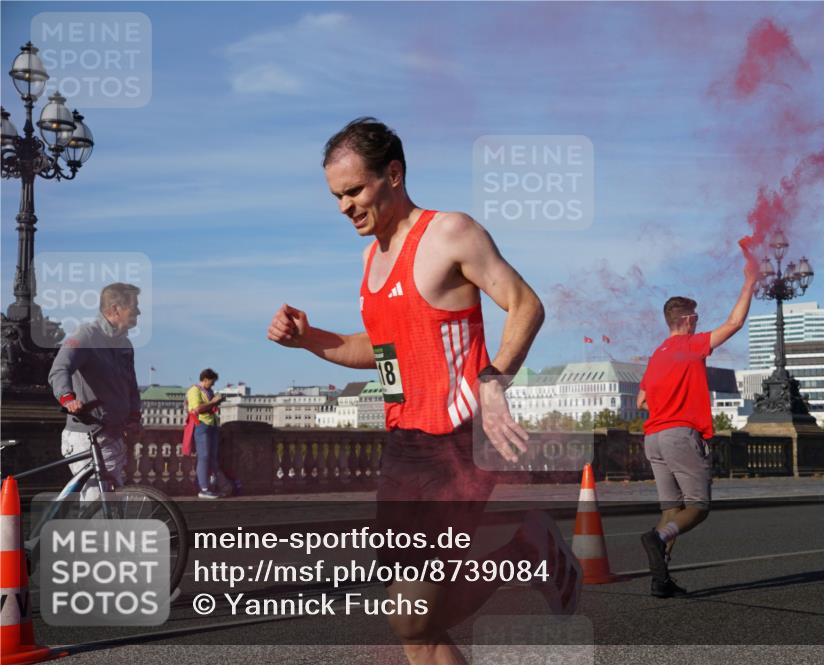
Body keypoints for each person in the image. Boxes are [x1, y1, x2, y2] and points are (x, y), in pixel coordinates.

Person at [267, 117, 579, 664]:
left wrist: (494, 380)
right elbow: (379, 349)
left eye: (354, 191)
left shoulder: (450, 233)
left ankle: (526, 549)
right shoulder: (370, 258)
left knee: (413, 617)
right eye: (337, 196)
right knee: (413, 627)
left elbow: (525, 304)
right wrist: (308, 339)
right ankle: (525, 548)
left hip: (457, 438)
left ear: (393, 174)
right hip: (403, 445)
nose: (345, 207)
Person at [636, 240, 758, 598]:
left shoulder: (657, 354)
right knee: (698, 508)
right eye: (697, 317)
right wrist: (750, 281)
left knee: (671, 509)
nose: (699, 321)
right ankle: (657, 538)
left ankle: (660, 580)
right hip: (680, 436)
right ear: (687, 320)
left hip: (653, 439)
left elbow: (642, 400)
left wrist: (666, 402)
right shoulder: (691, 345)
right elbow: (735, 322)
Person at [48, 282, 143, 501]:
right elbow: (59, 369)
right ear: (115, 309)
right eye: (134, 306)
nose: (138, 312)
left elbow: (131, 386)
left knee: (111, 506)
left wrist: (134, 417)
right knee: (98, 504)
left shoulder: (125, 345)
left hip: (114, 436)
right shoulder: (86, 335)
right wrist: (68, 399)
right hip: (86, 435)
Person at [185, 368, 224, 499]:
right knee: (204, 456)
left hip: (212, 425)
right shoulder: (194, 390)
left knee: (212, 457)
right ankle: (203, 489)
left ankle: (209, 486)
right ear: (205, 379)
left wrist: (216, 402)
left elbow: (209, 407)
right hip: (201, 425)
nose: (213, 385)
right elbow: (196, 409)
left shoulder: (209, 391)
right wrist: (213, 402)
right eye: (212, 382)